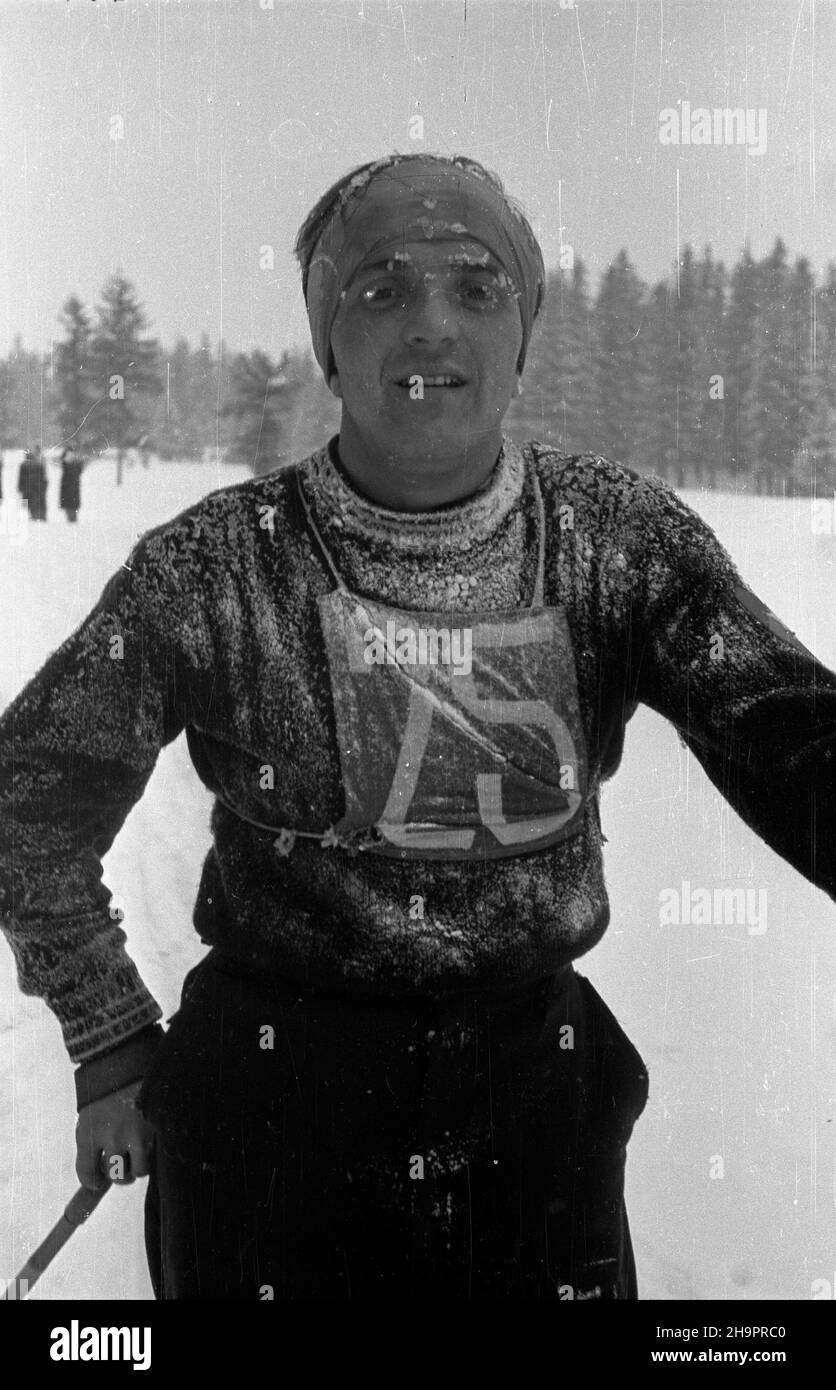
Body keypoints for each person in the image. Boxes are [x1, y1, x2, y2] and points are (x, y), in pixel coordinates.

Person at [1, 151, 835, 1301]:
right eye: (380, 287)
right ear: (326, 341)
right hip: (263, 1123)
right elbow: (28, 798)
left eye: (477, 287)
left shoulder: (616, 541)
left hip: (533, 1115)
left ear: (522, 333)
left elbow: (792, 737)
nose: (431, 325)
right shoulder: (215, 567)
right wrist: (105, 1032)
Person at [17, 447, 47, 522]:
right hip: (35, 488)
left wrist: (20, 487)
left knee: (26, 503)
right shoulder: (38, 464)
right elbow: (43, 478)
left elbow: (21, 477)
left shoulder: (24, 465)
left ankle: (27, 517)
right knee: (34, 502)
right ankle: (37, 516)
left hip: (28, 488)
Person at [59, 446, 84, 523]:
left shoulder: (75, 464)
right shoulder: (67, 464)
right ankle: (71, 520)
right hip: (68, 489)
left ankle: (72, 520)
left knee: (72, 508)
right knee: (70, 508)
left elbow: (78, 470)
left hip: (72, 489)